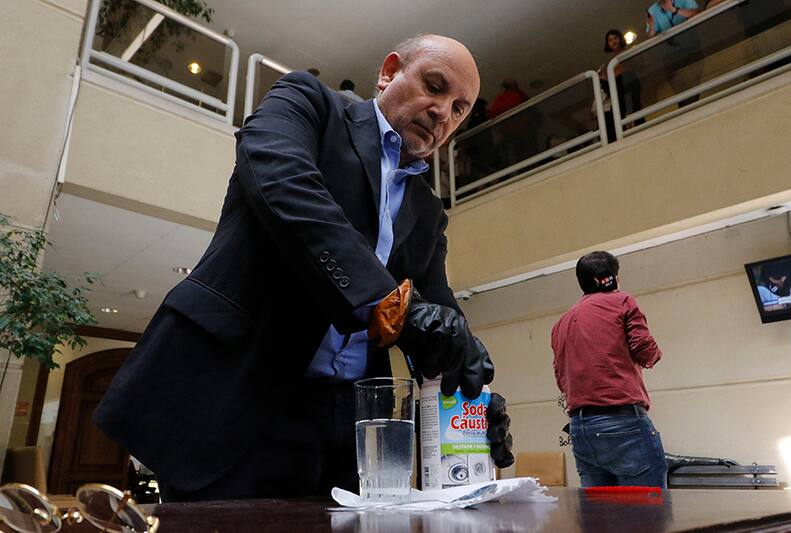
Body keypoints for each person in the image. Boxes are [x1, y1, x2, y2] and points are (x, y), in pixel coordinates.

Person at [93, 34, 513, 503]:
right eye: (434, 87)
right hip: (238, 394)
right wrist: (393, 305)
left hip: (348, 425)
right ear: (389, 71)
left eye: (459, 109)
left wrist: (473, 392)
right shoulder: (307, 103)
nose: (442, 112)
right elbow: (284, 184)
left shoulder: (429, 210)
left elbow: (438, 315)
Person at [551, 251, 667, 488]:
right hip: (622, 422)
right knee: (649, 509)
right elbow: (643, 349)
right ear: (611, 277)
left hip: (580, 430)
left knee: (598, 509)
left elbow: (561, 379)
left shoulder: (560, 324)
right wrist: (656, 355)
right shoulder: (622, 302)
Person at [596, 29, 643, 142]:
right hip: (617, 90)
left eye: (615, 38)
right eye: (610, 40)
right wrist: (601, 78)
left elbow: (640, 66)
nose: (613, 41)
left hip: (629, 84)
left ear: (620, 38)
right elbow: (608, 83)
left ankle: (637, 130)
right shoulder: (609, 64)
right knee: (619, 112)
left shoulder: (629, 53)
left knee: (633, 108)